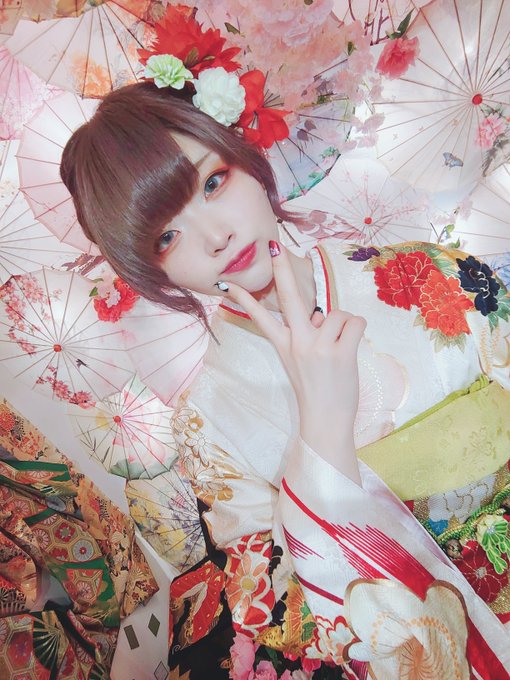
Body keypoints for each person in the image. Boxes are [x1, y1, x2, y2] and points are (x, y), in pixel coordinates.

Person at [60, 79, 510, 679]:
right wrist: (322, 437)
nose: (216, 238)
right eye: (166, 237)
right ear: (151, 270)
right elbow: (281, 620)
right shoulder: (206, 423)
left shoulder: (424, 270)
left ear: (245, 153)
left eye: (213, 183)